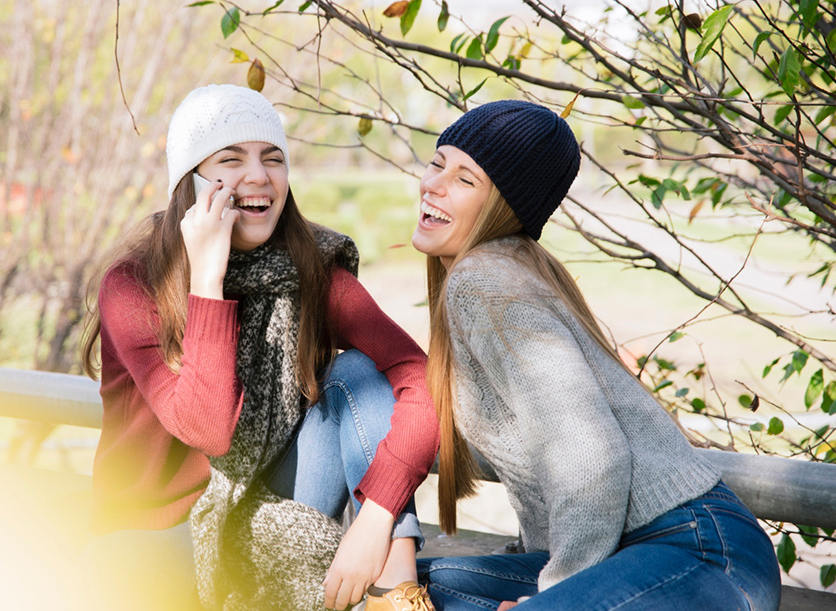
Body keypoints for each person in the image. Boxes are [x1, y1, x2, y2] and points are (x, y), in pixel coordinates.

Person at [409, 100, 782, 611]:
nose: (433, 184)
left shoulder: (482, 281)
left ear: (503, 206)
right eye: (437, 163)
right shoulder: (505, 269)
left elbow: (592, 459)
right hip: (639, 553)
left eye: (464, 179)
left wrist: (555, 591)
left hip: (694, 550)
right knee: (422, 586)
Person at [79, 84, 439, 611]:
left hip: (265, 498)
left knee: (361, 373)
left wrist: (379, 520)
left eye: (273, 158)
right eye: (231, 160)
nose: (258, 176)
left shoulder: (311, 269)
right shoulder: (134, 285)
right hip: (154, 526)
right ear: (190, 182)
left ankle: (395, 587)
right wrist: (208, 279)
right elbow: (206, 428)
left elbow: (418, 375)